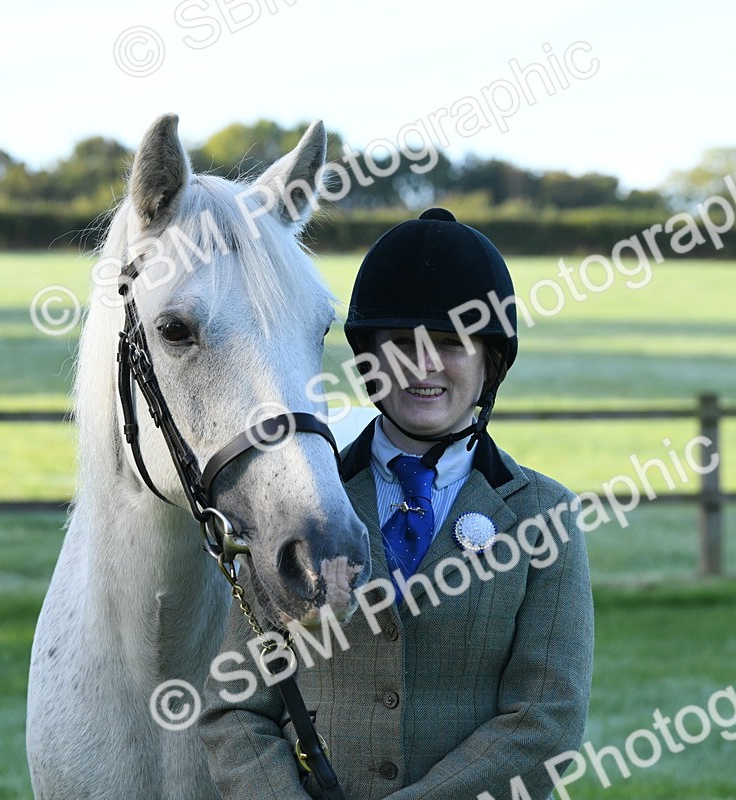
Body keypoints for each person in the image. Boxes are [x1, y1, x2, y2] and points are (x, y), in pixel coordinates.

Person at [200, 208, 594, 799]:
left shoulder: (545, 519)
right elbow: (236, 708)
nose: (424, 366)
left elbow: (546, 723)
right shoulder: (299, 505)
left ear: (491, 361)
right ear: (368, 360)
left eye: (449, 344)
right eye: (401, 344)